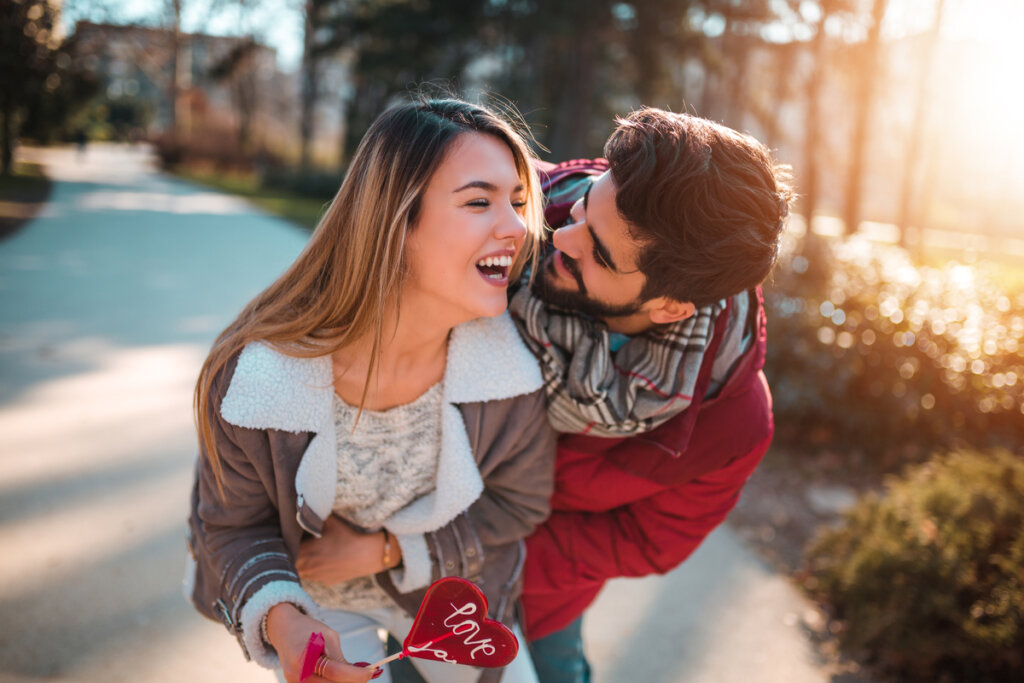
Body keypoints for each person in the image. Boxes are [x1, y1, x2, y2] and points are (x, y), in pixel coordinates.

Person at [184, 98, 557, 683]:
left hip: (450, 595)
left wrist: (388, 549)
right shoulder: (257, 380)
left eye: (516, 201)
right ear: (396, 222)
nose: (517, 226)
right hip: (314, 600)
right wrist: (283, 621)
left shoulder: (512, 371)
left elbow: (519, 504)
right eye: (478, 202)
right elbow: (232, 526)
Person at [507, 107, 794, 682]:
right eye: (584, 206)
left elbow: (645, 543)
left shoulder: (732, 423)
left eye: (599, 253)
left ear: (670, 308)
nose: (558, 236)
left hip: (537, 602)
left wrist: (462, 554)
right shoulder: (504, 197)